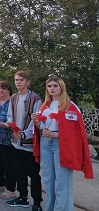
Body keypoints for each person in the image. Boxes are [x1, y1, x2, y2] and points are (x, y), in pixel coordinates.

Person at [32, 76, 93, 211]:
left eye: (55, 86)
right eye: (49, 86)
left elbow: (76, 132)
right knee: (48, 181)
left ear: (61, 88)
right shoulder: (44, 105)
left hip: (61, 145)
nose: (52, 89)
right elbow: (41, 127)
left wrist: (55, 134)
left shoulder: (71, 106)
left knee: (62, 182)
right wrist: (37, 122)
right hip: (45, 143)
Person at [3, 71, 42, 211]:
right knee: (19, 171)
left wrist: (24, 134)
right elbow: (10, 115)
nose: (18, 82)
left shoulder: (35, 98)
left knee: (33, 173)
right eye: (16, 80)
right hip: (16, 142)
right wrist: (9, 125)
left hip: (29, 144)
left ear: (28, 82)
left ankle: (37, 202)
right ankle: (23, 197)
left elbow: (36, 120)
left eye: (21, 80)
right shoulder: (13, 97)